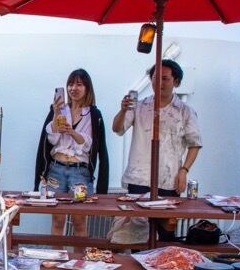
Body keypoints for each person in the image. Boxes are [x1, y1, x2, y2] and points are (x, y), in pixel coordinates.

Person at [112, 59, 201, 241]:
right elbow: (117, 129)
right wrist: (122, 110)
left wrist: (184, 170)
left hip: (169, 179)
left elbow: (195, 144)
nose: (158, 83)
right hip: (138, 177)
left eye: (165, 78)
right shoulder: (139, 105)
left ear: (176, 82)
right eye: (155, 78)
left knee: (166, 232)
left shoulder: (185, 111)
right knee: (136, 234)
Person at [34, 68, 109, 237]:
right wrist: (55, 113)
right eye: (70, 84)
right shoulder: (60, 110)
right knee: (57, 219)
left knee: (79, 220)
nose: (73, 88)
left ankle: (79, 255)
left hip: (79, 171)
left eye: (79, 84)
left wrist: (72, 132)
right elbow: (51, 139)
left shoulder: (93, 114)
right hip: (56, 169)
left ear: (87, 88)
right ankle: (57, 254)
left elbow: (90, 145)